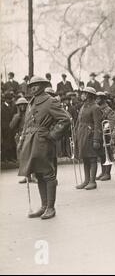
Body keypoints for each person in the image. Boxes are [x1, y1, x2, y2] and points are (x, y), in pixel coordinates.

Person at [18, 76, 71, 219]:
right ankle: (43, 206)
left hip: (43, 141)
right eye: (31, 86)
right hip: (31, 141)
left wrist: (53, 135)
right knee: (38, 174)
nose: (33, 88)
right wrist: (22, 141)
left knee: (48, 173)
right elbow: (27, 125)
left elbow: (65, 119)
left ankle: (51, 207)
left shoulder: (50, 101)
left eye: (36, 85)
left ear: (42, 85)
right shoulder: (31, 102)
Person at [74, 87, 103, 190]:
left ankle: (92, 181)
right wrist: (76, 134)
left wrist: (96, 139)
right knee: (85, 158)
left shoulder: (95, 107)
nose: (82, 95)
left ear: (88, 95)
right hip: (82, 135)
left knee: (92, 158)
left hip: (90, 135)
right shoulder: (83, 106)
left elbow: (97, 125)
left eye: (84, 94)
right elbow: (78, 121)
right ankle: (86, 180)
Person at [96, 91, 115, 181]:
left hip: (106, 134)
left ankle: (107, 173)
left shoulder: (108, 109)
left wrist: (106, 126)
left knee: (107, 153)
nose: (97, 100)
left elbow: (112, 120)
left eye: (98, 98)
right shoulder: (98, 108)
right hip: (100, 133)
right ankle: (103, 172)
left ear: (103, 99)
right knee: (101, 154)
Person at [10, 97, 29, 183]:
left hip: (28, 136)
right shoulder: (16, 116)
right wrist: (17, 117)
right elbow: (11, 126)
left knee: (30, 157)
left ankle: (34, 175)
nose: (22, 107)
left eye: (23, 105)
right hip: (20, 137)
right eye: (20, 105)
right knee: (22, 158)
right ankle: (26, 176)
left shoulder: (29, 114)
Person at [1, 91, 17, 163]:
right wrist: (5, 127)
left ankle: (10, 157)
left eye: (11, 99)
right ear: (6, 99)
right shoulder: (2, 107)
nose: (10, 100)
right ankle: (5, 158)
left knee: (10, 142)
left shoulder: (11, 106)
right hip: (5, 128)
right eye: (9, 99)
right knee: (5, 143)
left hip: (10, 127)